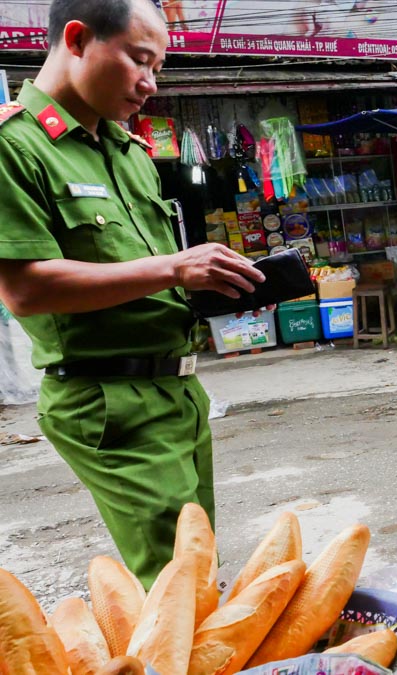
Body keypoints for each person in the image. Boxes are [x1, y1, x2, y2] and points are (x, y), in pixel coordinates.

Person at [0, 0, 264, 588]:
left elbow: (145, 275)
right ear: (76, 39)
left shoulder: (130, 153)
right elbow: (25, 288)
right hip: (109, 400)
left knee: (195, 572)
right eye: (140, 61)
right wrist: (174, 269)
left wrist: (221, 286)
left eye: (158, 68)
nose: (150, 83)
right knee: (181, 582)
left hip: (178, 388)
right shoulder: (13, 147)